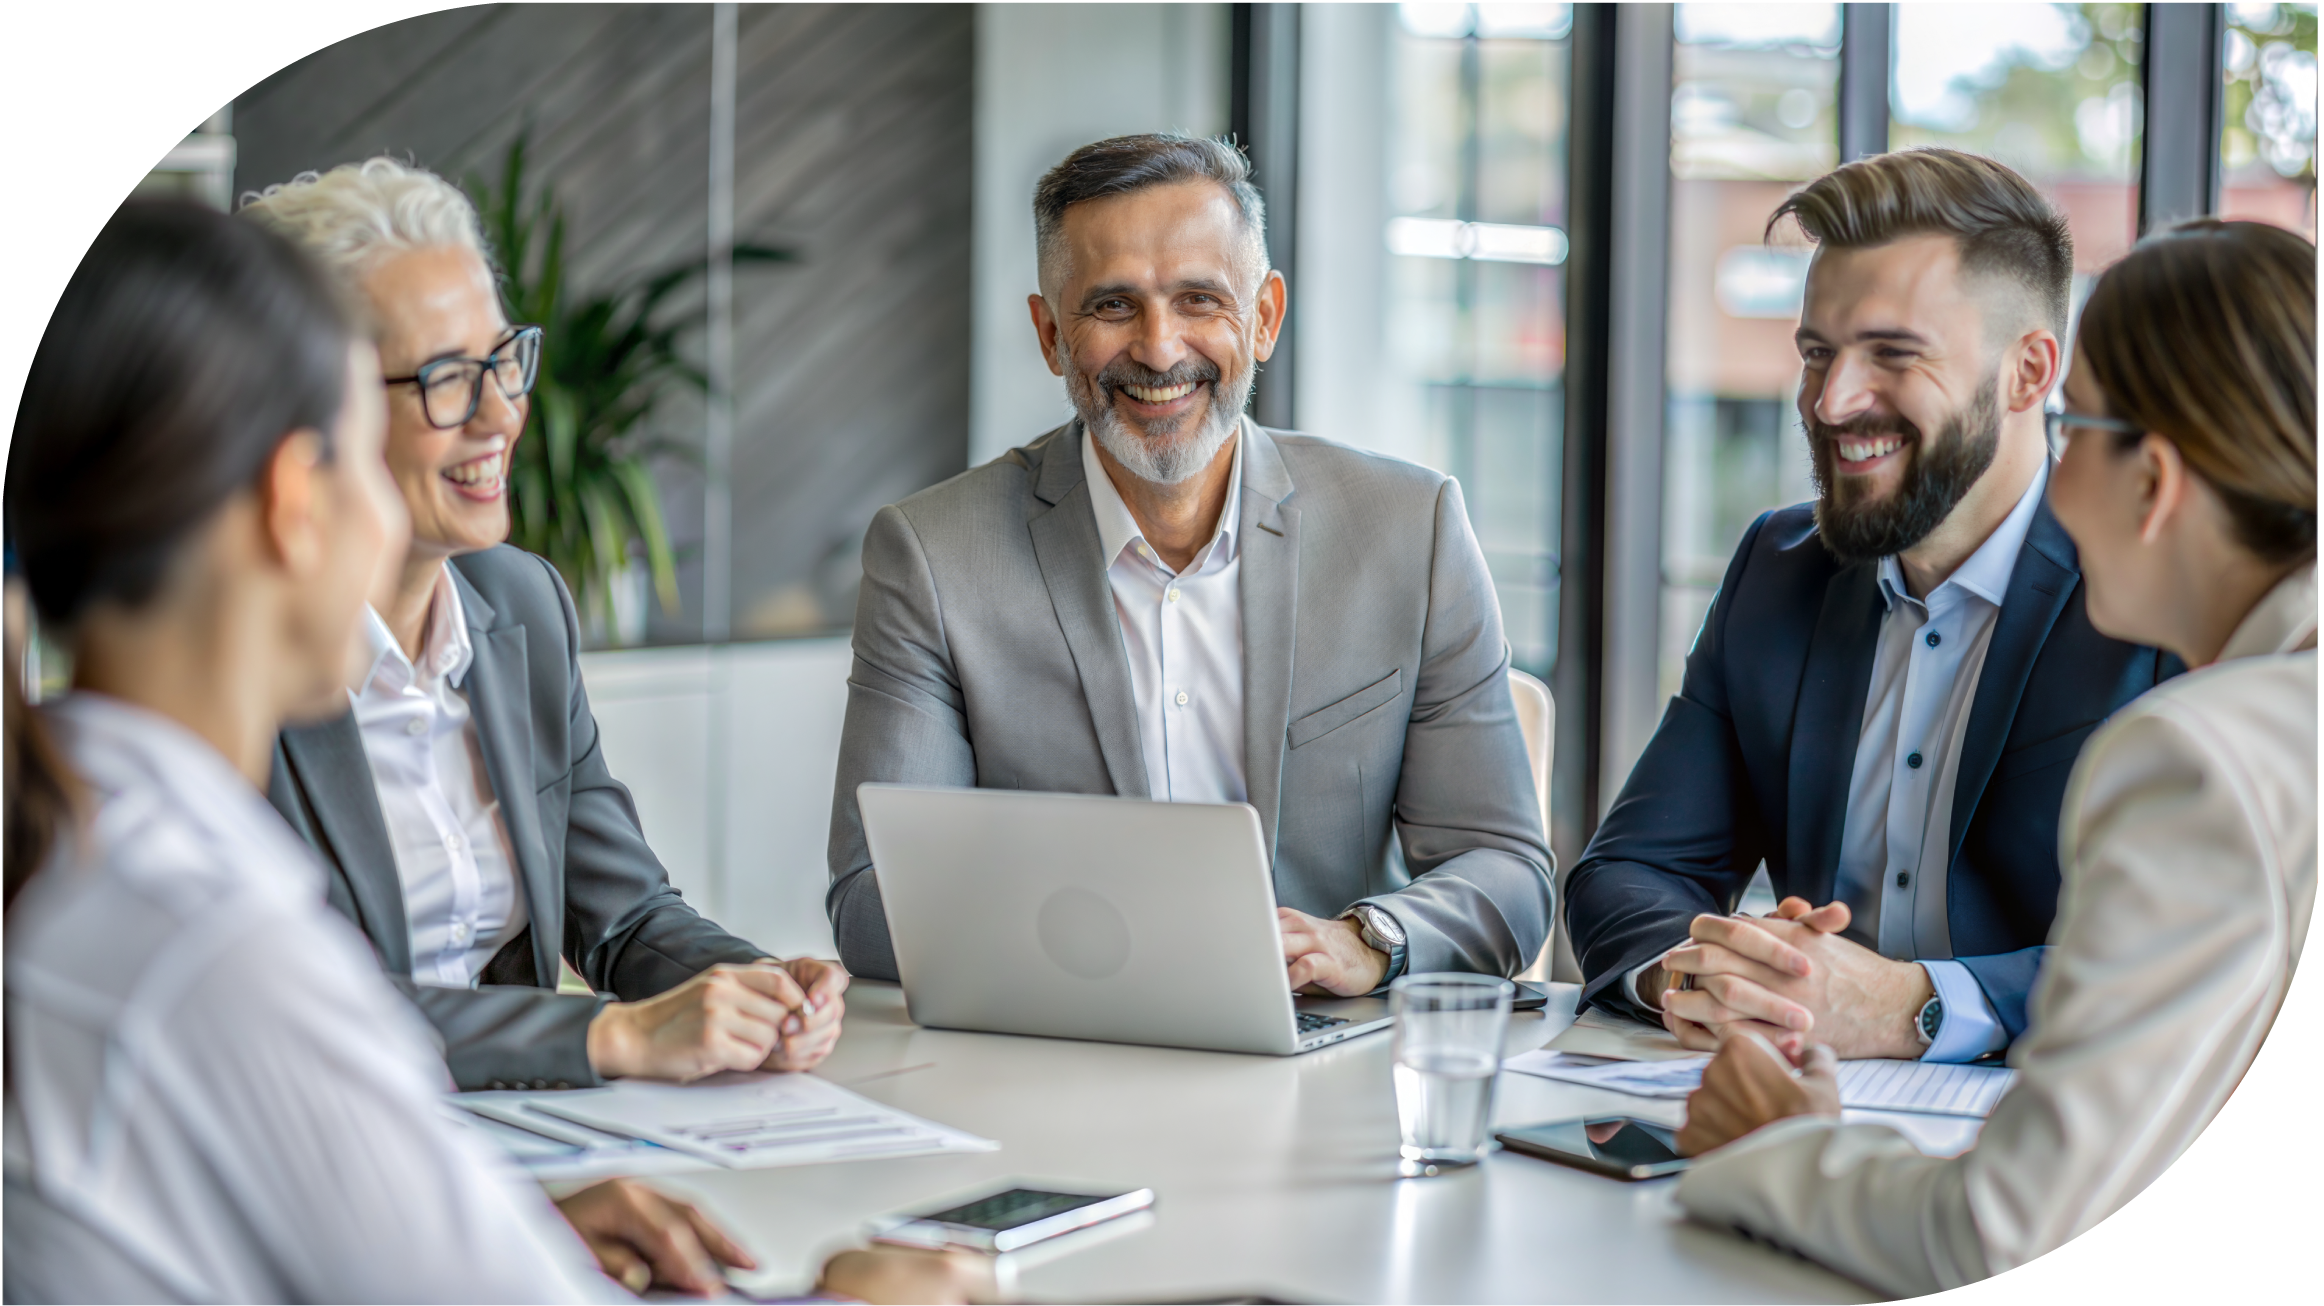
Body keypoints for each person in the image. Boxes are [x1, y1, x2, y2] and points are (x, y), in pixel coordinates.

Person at [0, 200, 985, 1306]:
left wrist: (517, 1217)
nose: (498, 423)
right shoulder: (215, 942)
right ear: (294, 500)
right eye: (371, 463)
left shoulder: (89, 857)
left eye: (500, 368)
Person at [1672, 218, 2315, 1295]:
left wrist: (1772, 1145)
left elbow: (2002, 1229)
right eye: (1814, 353)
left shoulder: (2203, 752)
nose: (2052, 488)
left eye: (2069, 432)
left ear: (2150, 479)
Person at [826, 133, 1550, 991]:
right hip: (1060, 1052)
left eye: (1200, 298)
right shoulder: (934, 555)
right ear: (1051, 335)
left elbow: (1504, 872)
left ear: (1266, 317)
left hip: (1327, 1057)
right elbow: (873, 904)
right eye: (1112, 307)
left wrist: (1368, 938)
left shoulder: (1409, 528)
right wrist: (1136, 955)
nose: (1161, 350)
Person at [239, 159, 844, 1091]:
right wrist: (608, 1039)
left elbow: (625, 916)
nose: (501, 415)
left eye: (502, 360)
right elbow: (285, 1006)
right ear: (317, 409)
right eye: (446, 378)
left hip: (514, 1142)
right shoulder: (233, 662)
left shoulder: (520, 605)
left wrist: (751, 987)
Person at [1565, 149, 2176, 1062]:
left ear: (2028, 372)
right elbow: (1632, 871)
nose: (1830, 400)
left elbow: (2184, 957)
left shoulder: (2153, 595)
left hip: (2052, 1137)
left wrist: (1920, 1007)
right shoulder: (1779, 569)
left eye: (1892, 354)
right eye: (1817, 352)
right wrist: (1701, 979)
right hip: (1794, 1108)